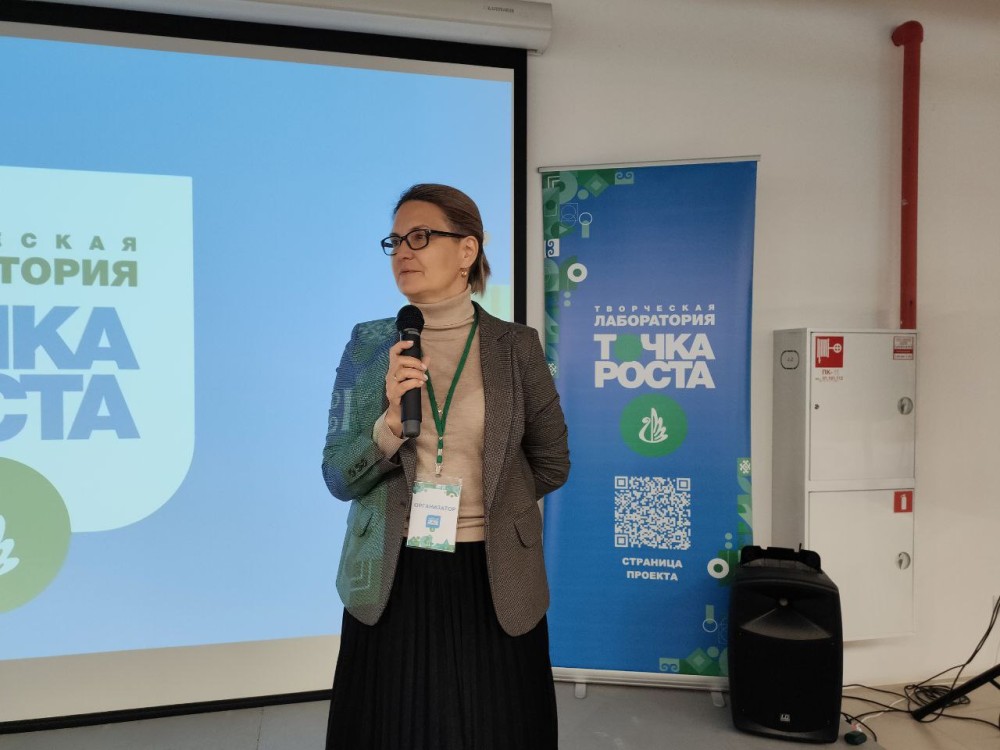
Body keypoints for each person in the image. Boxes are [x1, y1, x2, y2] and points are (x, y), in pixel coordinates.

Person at [321, 183, 570, 750]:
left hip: (494, 570)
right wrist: (388, 426)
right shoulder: (368, 346)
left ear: (467, 250)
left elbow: (552, 462)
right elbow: (338, 475)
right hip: (394, 571)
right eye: (395, 241)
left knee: (497, 727)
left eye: (420, 236)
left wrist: (493, 506)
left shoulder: (517, 346)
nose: (403, 252)